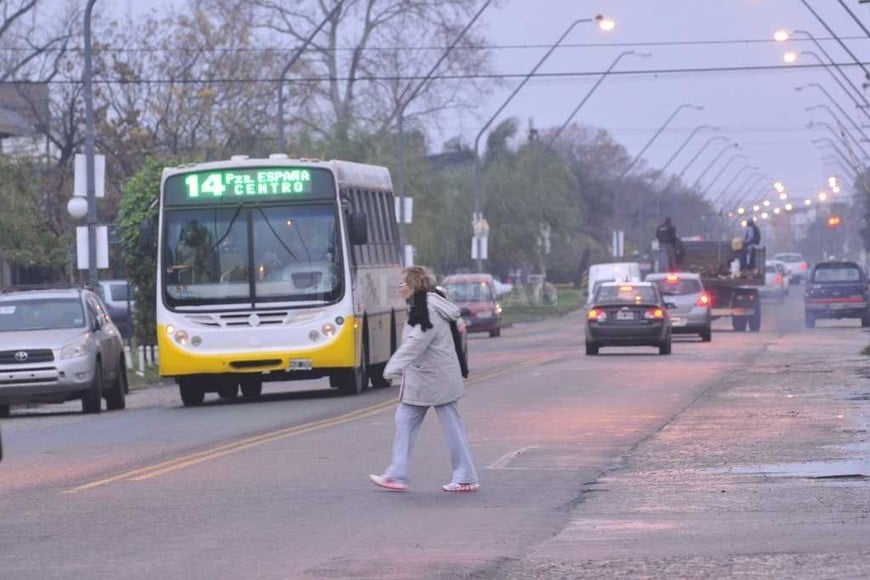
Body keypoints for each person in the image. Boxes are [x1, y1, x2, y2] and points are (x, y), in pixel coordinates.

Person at [369, 266, 479, 493]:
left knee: (450, 428)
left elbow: (415, 343)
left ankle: (465, 476)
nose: (399, 288)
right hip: (426, 378)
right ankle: (397, 474)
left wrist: (392, 367)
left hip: (433, 379)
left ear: (413, 285)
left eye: (402, 283)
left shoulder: (426, 309)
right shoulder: (424, 304)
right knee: (405, 422)